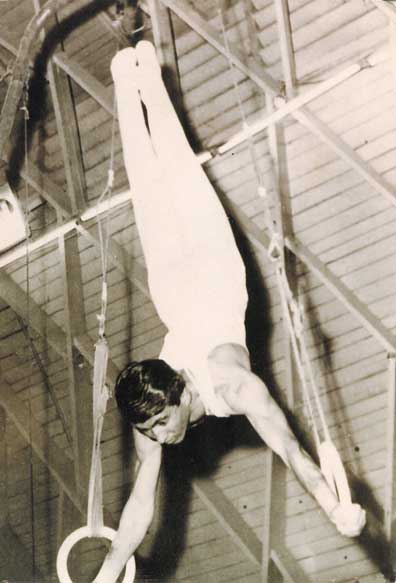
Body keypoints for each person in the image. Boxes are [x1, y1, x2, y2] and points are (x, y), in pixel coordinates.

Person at [94, 41, 366, 582]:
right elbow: (141, 505)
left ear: (180, 393)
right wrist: (108, 572)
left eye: (161, 423)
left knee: (162, 172)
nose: (161, 436)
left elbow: (290, 448)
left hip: (197, 273)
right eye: (152, 428)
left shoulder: (236, 388)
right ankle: (129, 75)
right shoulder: (152, 417)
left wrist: (333, 505)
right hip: (197, 279)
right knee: (155, 181)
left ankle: (140, 74)